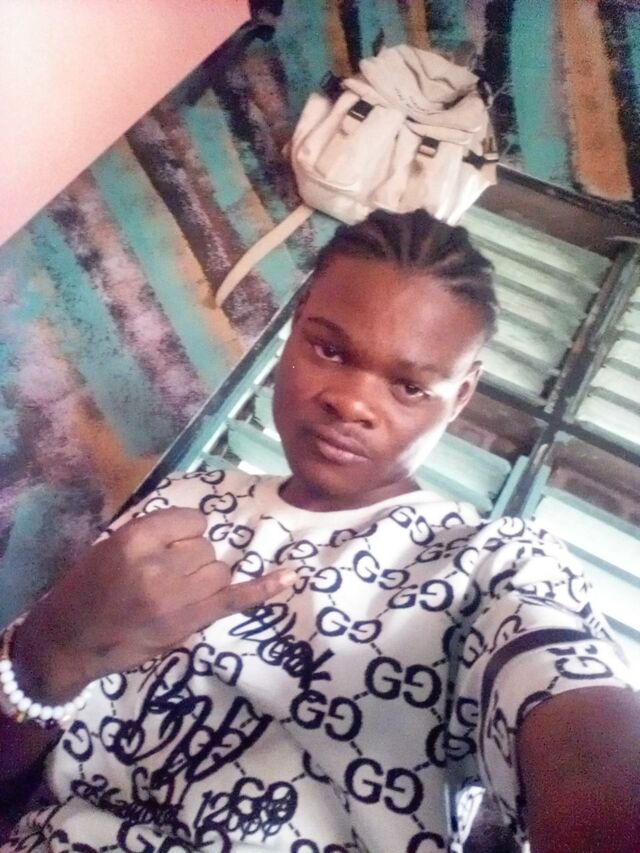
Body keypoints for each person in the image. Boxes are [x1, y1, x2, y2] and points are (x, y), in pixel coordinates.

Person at [0, 210, 638, 853]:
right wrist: (48, 649)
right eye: (329, 350)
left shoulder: (488, 566)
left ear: (461, 396)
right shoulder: (183, 503)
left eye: (409, 386)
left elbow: (583, 736)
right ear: (296, 321)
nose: (352, 402)